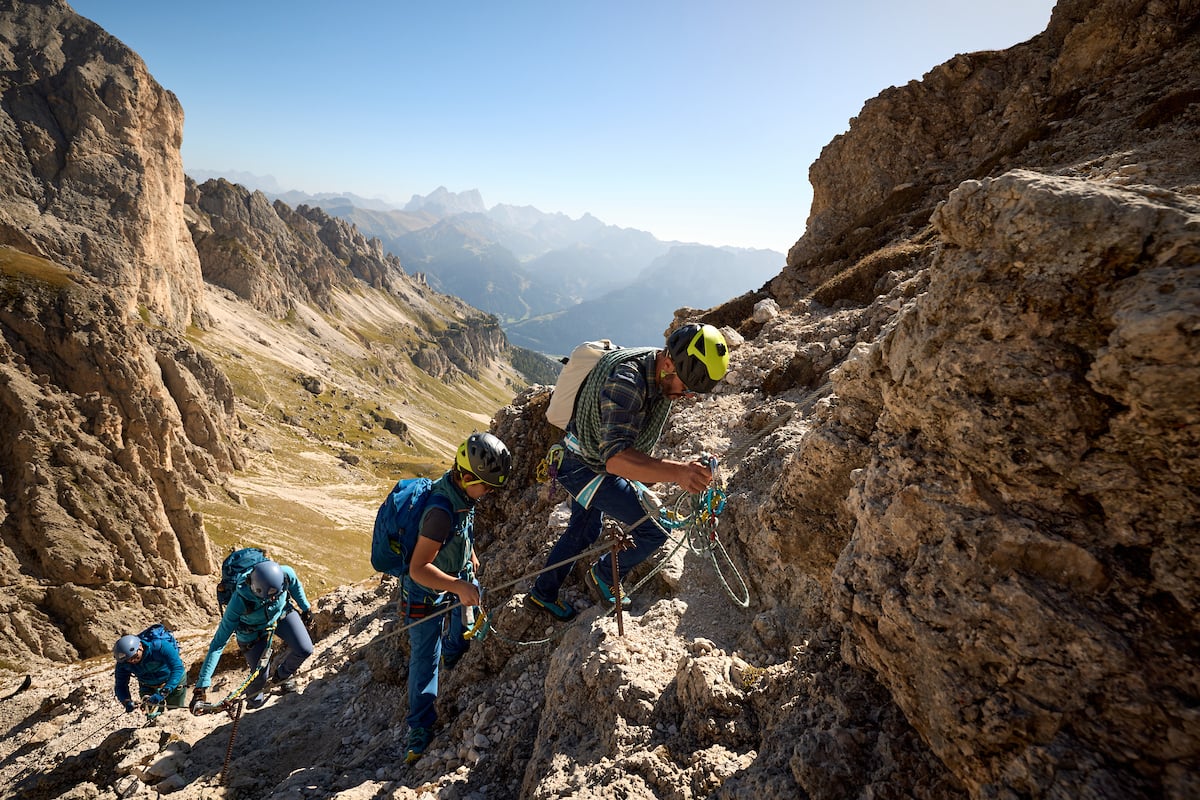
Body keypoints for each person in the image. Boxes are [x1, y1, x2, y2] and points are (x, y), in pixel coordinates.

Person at [527, 322, 730, 621]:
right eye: (685, 387)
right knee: (655, 528)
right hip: (585, 467)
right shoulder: (628, 381)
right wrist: (678, 473)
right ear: (669, 364)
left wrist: (675, 472)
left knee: (584, 530)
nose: (685, 396)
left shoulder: (654, 369)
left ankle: (541, 594)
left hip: (579, 456)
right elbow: (616, 460)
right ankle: (604, 577)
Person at [402, 431, 512, 764]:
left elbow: (464, 525)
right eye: (486, 486)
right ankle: (419, 729)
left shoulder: (462, 493)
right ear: (466, 477)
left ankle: (453, 651)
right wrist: (458, 586)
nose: (489, 494)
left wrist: (470, 555)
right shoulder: (439, 512)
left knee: (459, 624)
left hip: (456, 572)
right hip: (425, 591)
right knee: (424, 657)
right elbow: (418, 569)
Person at [190, 559, 314, 712]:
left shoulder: (285, 574)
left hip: (280, 615)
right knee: (260, 675)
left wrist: (306, 608)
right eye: (269, 597)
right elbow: (218, 643)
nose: (273, 599)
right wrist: (201, 687)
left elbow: (295, 586)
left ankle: (281, 677)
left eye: (276, 595)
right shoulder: (238, 601)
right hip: (251, 632)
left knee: (305, 649)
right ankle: (254, 702)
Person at [112, 628, 186, 714]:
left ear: (140, 646)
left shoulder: (160, 647)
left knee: (175, 712)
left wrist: (164, 691)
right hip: (147, 687)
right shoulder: (123, 663)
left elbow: (177, 668)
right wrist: (126, 701)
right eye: (128, 660)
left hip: (173, 682)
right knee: (152, 715)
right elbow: (120, 685)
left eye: (135, 656)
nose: (132, 661)